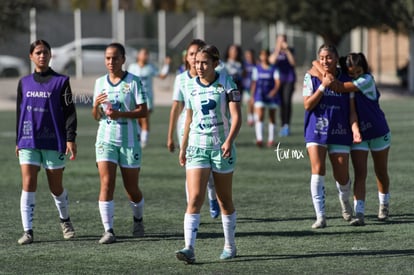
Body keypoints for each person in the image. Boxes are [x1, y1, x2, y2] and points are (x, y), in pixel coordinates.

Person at [175, 45, 242, 264]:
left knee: (224, 200)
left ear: (215, 63)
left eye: (204, 63)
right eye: (196, 63)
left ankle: (230, 245)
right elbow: (189, 118)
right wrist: (183, 146)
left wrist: (229, 141)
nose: (199, 66)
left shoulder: (226, 83)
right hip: (196, 148)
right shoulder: (190, 86)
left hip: (221, 148)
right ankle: (189, 248)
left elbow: (236, 117)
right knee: (194, 197)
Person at [310, 53, 391, 226]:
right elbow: (352, 109)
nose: (355, 76)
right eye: (351, 73)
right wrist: (355, 130)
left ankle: (384, 205)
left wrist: (321, 71)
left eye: (358, 71)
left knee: (381, 172)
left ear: (365, 69)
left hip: (378, 132)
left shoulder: (366, 80)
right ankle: (359, 213)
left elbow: (338, 86)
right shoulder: (351, 82)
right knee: (360, 173)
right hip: (359, 134)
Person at [15, 39, 77, 245]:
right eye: (38, 53)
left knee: (55, 187)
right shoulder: (23, 82)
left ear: (51, 56)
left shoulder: (61, 81)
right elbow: (20, 112)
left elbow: (69, 112)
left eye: (45, 52)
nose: (42, 56)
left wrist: (70, 138)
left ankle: (65, 220)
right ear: (31, 56)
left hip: (53, 140)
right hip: (28, 140)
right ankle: (28, 231)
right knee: (28, 184)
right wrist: (18, 139)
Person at [92, 43, 148, 244]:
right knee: (107, 183)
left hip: (129, 140)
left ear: (123, 59)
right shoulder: (99, 82)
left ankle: (138, 219)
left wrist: (120, 114)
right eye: (107, 58)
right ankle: (108, 230)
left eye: (115, 58)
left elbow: (143, 111)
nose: (110, 62)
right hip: (105, 139)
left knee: (131, 188)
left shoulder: (134, 82)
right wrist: (97, 106)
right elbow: (95, 116)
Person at [167, 39, 220, 219]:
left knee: (211, 174)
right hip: (186, 129)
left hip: (212, 131)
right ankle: (192, 206)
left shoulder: (216, 77)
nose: (195, 58)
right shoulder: (182, 79)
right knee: (191, 170)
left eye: (198, 54)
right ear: (187, 58)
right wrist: (170, 136)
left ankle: (213, 198)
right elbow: (176, 107)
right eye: (191, 54)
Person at [303, 44, 354, 229]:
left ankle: (345, 203)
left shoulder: (345, 77)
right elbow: (307, 105)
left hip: (339, 129)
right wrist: (323, 87)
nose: (325, 61)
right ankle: (320, 216)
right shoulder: (311, 76)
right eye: (322, 58)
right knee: (317, 170)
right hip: (315, 129)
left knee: (342, 176)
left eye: (329, 57)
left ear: (336, 58)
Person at [128, 48, 170, 148]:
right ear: (138, 56)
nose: (145, 56)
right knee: (137, 119)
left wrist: (167, 65)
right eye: (143, 54)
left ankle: (144, 141)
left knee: (145, 119)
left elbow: (162, 76)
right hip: (135, 98)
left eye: (147, 54)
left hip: (147, 98)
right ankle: (138, 137)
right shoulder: (132, 67)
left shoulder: (150, 67)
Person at [250, 49, 281, 148]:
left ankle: (271, 140)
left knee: (272, 117)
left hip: (271, 96)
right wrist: (252, 96)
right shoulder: (257, 69)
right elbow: (254, 83)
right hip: (260, 95)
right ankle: (260, 139)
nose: (264, 57)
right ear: (260, 56)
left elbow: (278, 82)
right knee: (260, 115)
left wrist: (274, 91)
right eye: (262, 55)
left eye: (266, 55)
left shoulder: (274, 68)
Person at [269, 34, 296, 137]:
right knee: (281, 103)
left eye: (283, 40)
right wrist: (277, 49)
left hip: (289, 79)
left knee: (287, 101)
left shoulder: (291, 50)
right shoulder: (274, 51)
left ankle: (287, 125)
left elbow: (293, 63)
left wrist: (287, 50)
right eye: (280, 40)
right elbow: (271, 61)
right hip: (278, 80)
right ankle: (282, 125)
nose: (282, 42)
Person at [242, 49, 256, 126]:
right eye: (247, 55)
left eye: (250, 55)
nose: (249, 57)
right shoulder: (244, 64)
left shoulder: (256, 64)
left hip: (255, 86)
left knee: (252, 102)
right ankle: (250, 117)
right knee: (249, 102)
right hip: (246, 86)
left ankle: (252, 117)